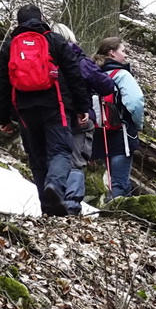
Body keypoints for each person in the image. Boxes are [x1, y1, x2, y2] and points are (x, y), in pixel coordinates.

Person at [0, 5, 90, 216]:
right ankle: (54, 186)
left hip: (24, 110)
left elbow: (2, 83)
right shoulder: (55, 41)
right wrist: (83, 107)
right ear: (41, 19)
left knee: (37, 157)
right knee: (60, 151)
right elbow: (74, 75)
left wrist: (3, 117)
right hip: (55, 106)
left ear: (18, 23)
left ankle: (48, 208)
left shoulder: (10, 46)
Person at [51, 24, 115, 215]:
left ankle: (52, 201)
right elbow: (105, 85)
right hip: (80, 117)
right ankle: (71, 205)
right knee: (76, 161)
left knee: (54, 157)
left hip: (52, 116)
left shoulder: (46, 59)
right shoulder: (79, 60)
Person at [91, 37, 145, 199]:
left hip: (98, 134)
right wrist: (137, 124)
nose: (126, 55)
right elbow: (135, 102)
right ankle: (112, 214)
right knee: (119, 182)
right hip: (122, 134)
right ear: (112, 53)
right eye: (123, 51)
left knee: (105, 179)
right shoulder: (122, 75)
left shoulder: (93, 73)